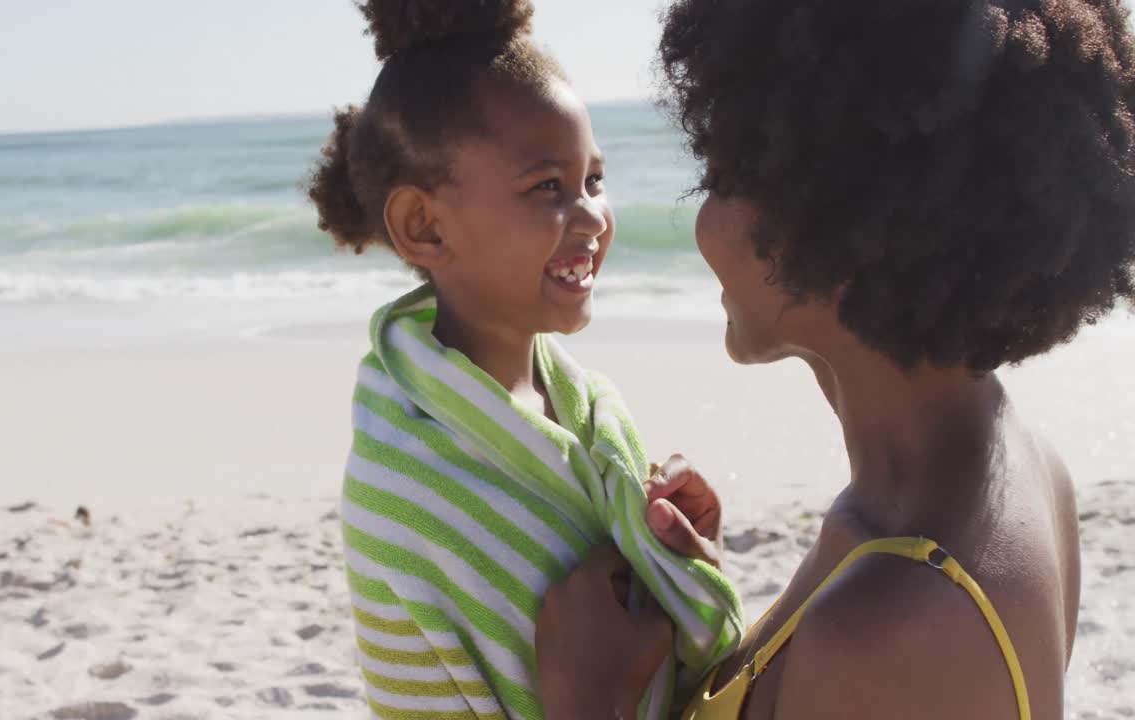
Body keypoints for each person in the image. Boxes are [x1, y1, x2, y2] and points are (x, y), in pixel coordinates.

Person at [534, 1, 1135, 718]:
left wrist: (586, 696)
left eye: (721, 179)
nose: (700, 225)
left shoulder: (888, 630)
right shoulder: (1017, 464)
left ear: (834, 219)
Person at [305, 2, 743, 718]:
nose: (593, 216)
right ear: (424, 226)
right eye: (548, 187)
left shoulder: (586, 406)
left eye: (594, 181)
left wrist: (676, 560)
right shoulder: (408, 482)